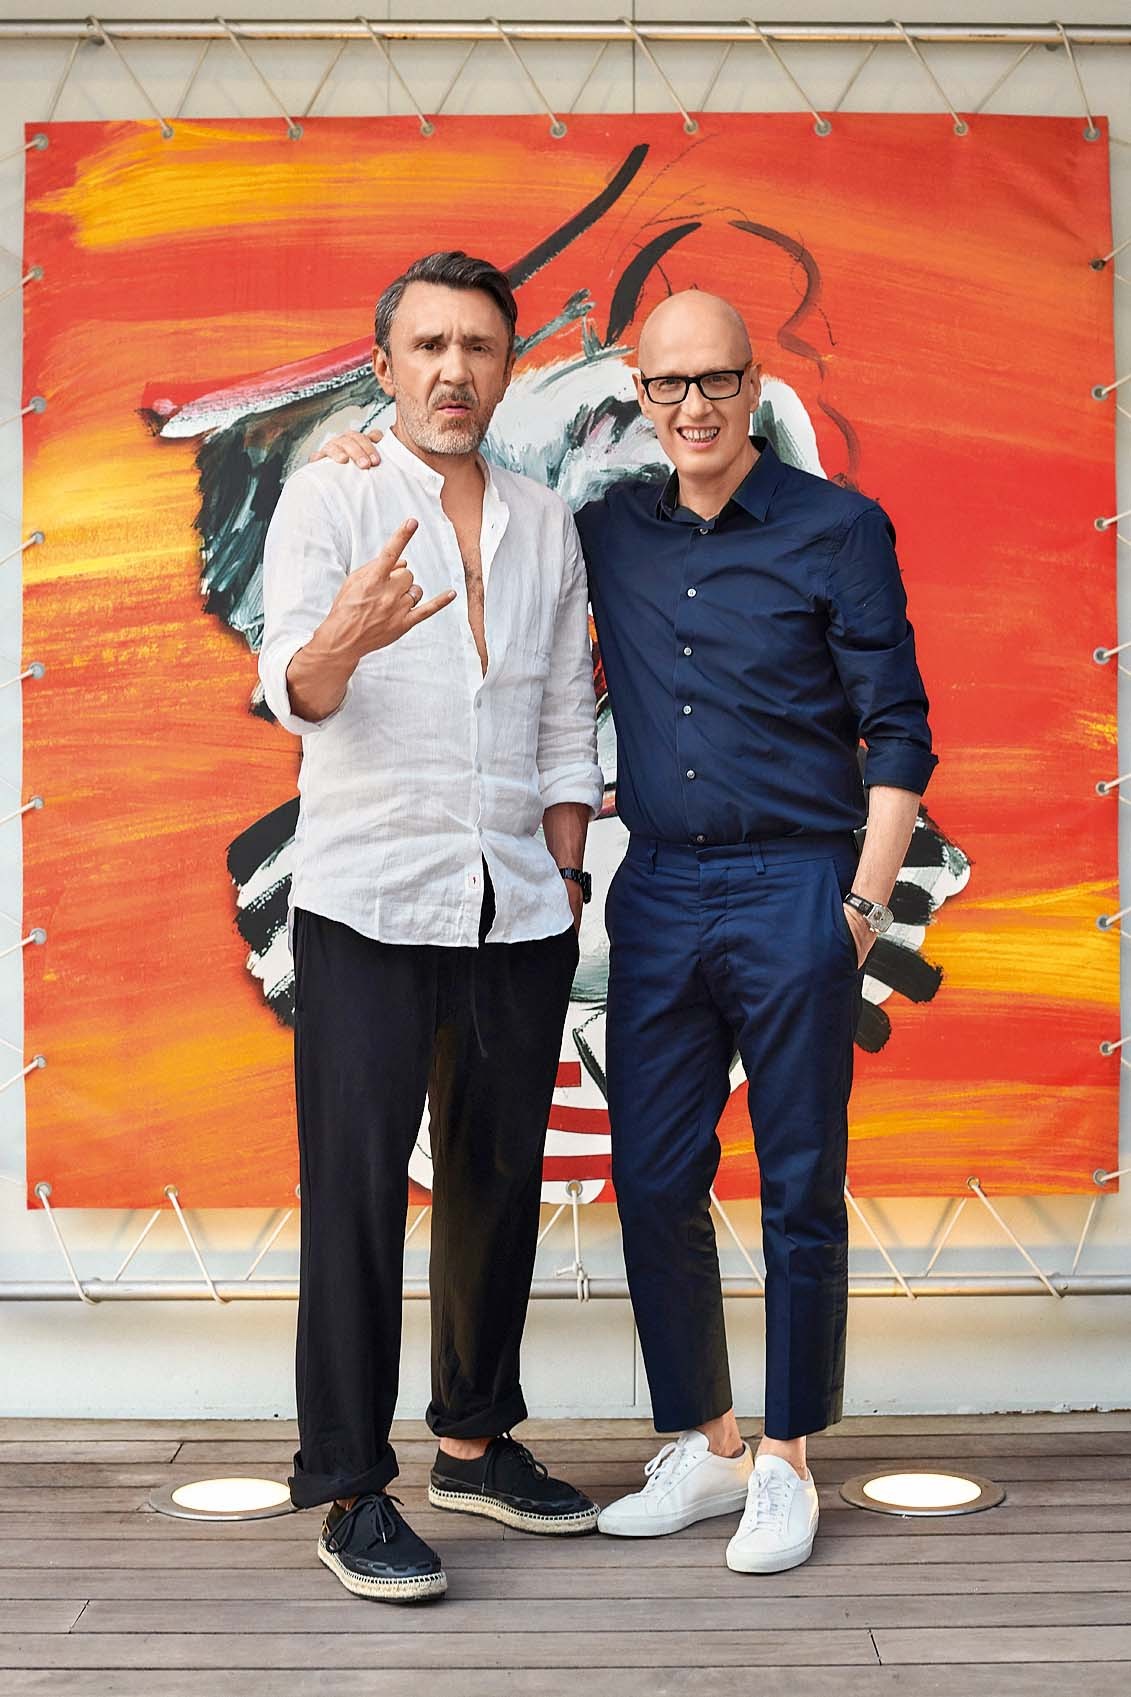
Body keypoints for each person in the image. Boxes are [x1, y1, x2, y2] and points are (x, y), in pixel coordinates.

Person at [316, 285, 937, 1577]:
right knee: (654, 1179)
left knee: (800, 1183)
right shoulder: (602, 527)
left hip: (798, 885)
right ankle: (709, 1444)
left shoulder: (840, 528)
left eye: (716, 380)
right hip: (655, 887)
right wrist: (357, 446)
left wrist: (863, 905)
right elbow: (472, 503)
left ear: (752, 384)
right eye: (668, 383)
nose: (693, 405)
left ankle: (787, 1460)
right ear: (639, 395)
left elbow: (899, 732)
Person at [259, 250, 604, 1604]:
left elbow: (565, 709)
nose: (454, 370)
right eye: (428, 346)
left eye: (479, 346)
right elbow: (294, 686)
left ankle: (472, 1441)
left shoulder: (547, 520)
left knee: (495, 1183)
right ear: (386, 363)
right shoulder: (331, 494)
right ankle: (351, 1487)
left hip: (516, 899)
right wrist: (341, 639)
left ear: (508, 366)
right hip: (368, 896)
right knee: (355, 1196)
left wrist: (565, 867)